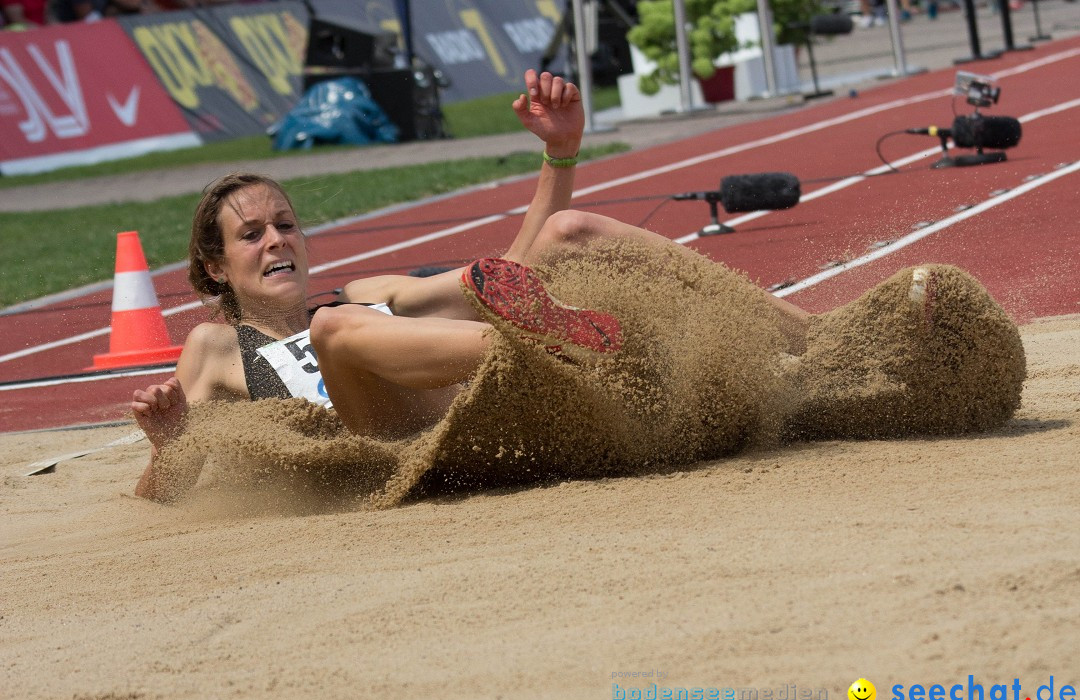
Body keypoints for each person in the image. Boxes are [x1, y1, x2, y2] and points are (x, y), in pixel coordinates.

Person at [132, 70, 811, 502]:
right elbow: (169, 493)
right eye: (253, 235)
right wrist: (168, 442)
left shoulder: (368, 291)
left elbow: (511, 272)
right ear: (216, 267)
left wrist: (559, 154)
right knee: (334, 329)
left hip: (484, 412)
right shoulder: (218, 347)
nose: (277, 239)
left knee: (567, 233)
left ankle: (810, 333)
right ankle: (544, 350)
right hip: (391, 450)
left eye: (285, 224)